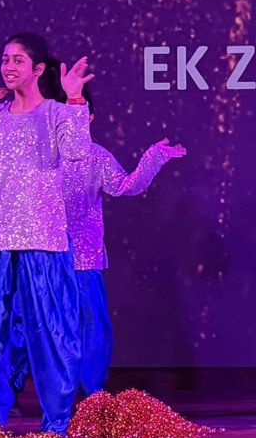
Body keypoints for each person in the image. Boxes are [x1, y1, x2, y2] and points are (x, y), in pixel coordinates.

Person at [0, 33, 94, 433]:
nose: (8, 67)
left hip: (41, 238)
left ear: (38, 69)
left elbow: (78, 152)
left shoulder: (57, 113)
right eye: (5, 59)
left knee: (51, 335)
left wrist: (75, 99)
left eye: (17, 60)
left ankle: (56, 424)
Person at [60, 85, 187, 396]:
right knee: (34, 325)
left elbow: (125, 186)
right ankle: (18, 393)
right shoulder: (40, 156)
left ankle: (90, 395)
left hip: (83, 257)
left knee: (90, 327)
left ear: (88, 117)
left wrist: (153, 158)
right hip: (41, 254)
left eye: (77, 113)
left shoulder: (95, 156)